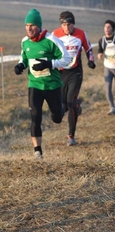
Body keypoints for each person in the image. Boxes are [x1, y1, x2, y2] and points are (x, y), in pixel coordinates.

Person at [14, 8, 72, 159]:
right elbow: (24, 57)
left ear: (39, 26)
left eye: (32, 25)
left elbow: (66, 59)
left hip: (52, 85)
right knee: (35, 116)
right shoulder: (25, 42)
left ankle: (61, 110)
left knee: (57, 117)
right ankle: (37, 151)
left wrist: (49, 64)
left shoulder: (52, 40)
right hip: (34, 85)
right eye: (27, 25)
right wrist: (20, 65)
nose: (29, 28)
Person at [52, 11, 96, 146]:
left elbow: (89, 49)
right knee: (63, 104)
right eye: (63, 24)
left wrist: (91, 60)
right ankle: (76, 107)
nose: (66, 27)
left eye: (68, 24)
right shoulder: (55, 34)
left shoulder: (81, 34)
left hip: (75, 73)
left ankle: (71, 136)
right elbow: (49, 50)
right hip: (60, 73)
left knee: (70, 102)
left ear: (73, 24)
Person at [97, 19, 115, 115]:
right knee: (107, 88)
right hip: (107, 67)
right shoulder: (102, 40)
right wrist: (100, 54)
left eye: (109, 27)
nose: (106, 29)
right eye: (105, 27)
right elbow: (100, 50)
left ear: (113, 29)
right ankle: (112, 107)